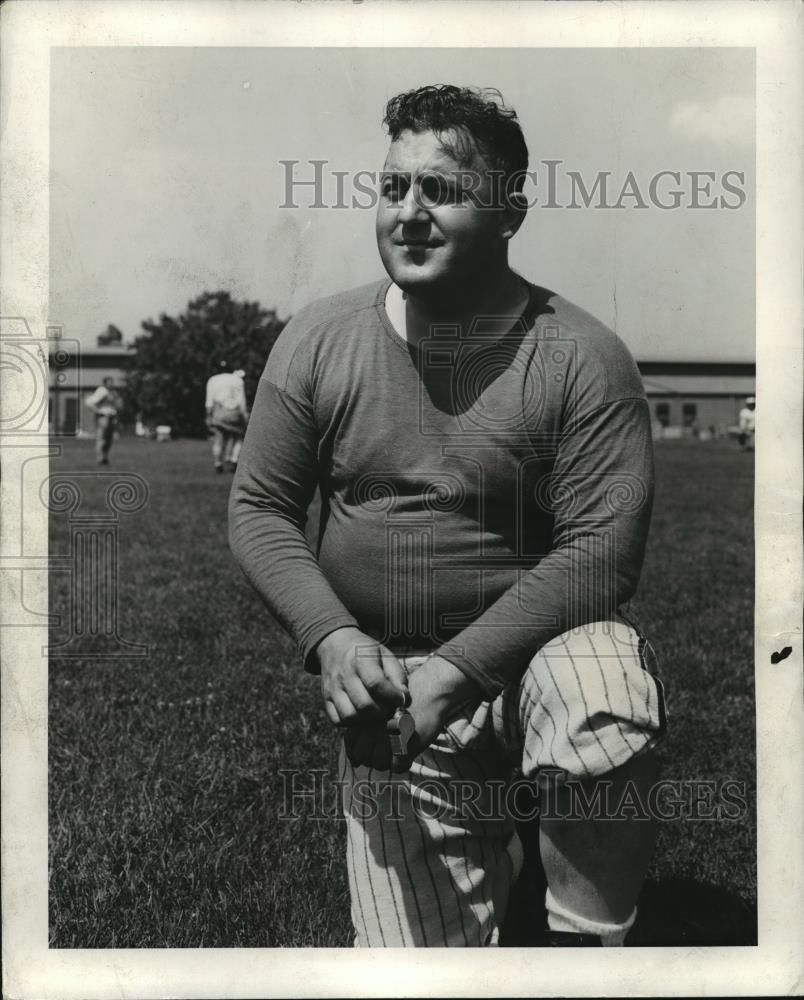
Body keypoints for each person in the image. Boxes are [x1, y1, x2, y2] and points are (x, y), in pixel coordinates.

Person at [230, 85, 666, 948]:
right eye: (394, 189)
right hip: (392, 688)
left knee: (603, 687)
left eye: (445, 191)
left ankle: (587, 946)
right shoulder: (320, 337)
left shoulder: (580, 354)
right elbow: (260, 505)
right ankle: (500, 847)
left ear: (510, 212)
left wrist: (457, 673)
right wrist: (334, 639)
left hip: (531, 664)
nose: (411, 215)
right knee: (416, 972)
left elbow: (602, 554)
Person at [205, 365, 249, 473]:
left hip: (219, 411)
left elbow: (209, 402)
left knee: (218, 439)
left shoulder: (213, 379)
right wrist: (245, 415)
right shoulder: (237, 380)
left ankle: (218, 463)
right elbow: (241, 400)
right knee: (238, 437)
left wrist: (208, 416)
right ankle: (234, 460)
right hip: (234, 412)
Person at [86, 376, 121, 465]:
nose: (111, 384)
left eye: (112, 382)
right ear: (105, 383)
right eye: (109, 382)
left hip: (111, 417)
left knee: (109, 439)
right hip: (103, 417)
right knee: (102, 438)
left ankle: (105, 457)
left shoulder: (111, 392)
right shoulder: (102, 391)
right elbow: (89, 402)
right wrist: (99, 411)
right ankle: (100, 458)